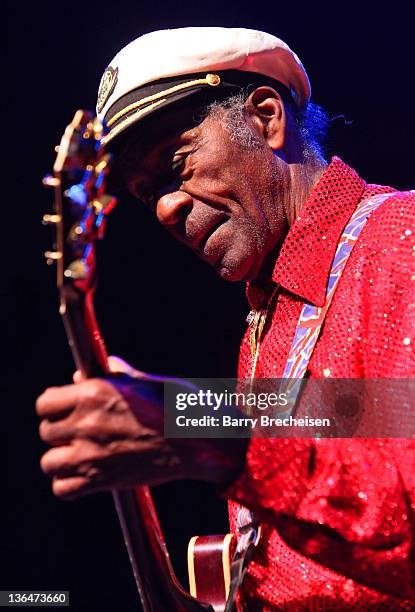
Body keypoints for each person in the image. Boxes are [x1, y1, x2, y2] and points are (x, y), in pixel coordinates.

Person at [36, 27, 415, 610]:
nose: (163, 208)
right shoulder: (264, 330)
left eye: (176, 163)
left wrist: (202, 432)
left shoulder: (400, 243)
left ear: (265, 117)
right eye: (145, 192)